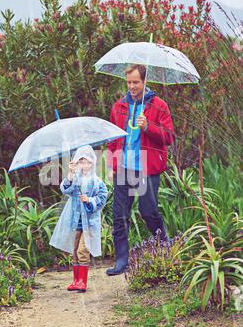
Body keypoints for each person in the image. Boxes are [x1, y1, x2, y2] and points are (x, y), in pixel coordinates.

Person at [106, 64, 175, 276]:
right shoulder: (119, 107)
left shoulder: (158, 106)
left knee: (148, 212)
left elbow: (169, 137)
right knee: (120, 215)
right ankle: (122, 261)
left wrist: (148, 127)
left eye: (136, 82)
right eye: (129, 82)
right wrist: (111, 163)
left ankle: (165, 248)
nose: (132, 86)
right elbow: (112, 138)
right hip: (124, 168)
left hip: (147, 167)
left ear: (145, 81)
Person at [50, 145, 108, 292]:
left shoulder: (97, 181)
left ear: (93, 163)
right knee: (74, 250)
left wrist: (89, 200)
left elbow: (102, 198)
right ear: (77, 163)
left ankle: (83, 281)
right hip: (75, 221)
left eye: (88, 162)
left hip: (89, 223)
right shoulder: (75, 178)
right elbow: (65, 189)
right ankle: (76, 280)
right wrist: (70, 174)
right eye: (82, 162)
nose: (85, 165)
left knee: (83, 250)